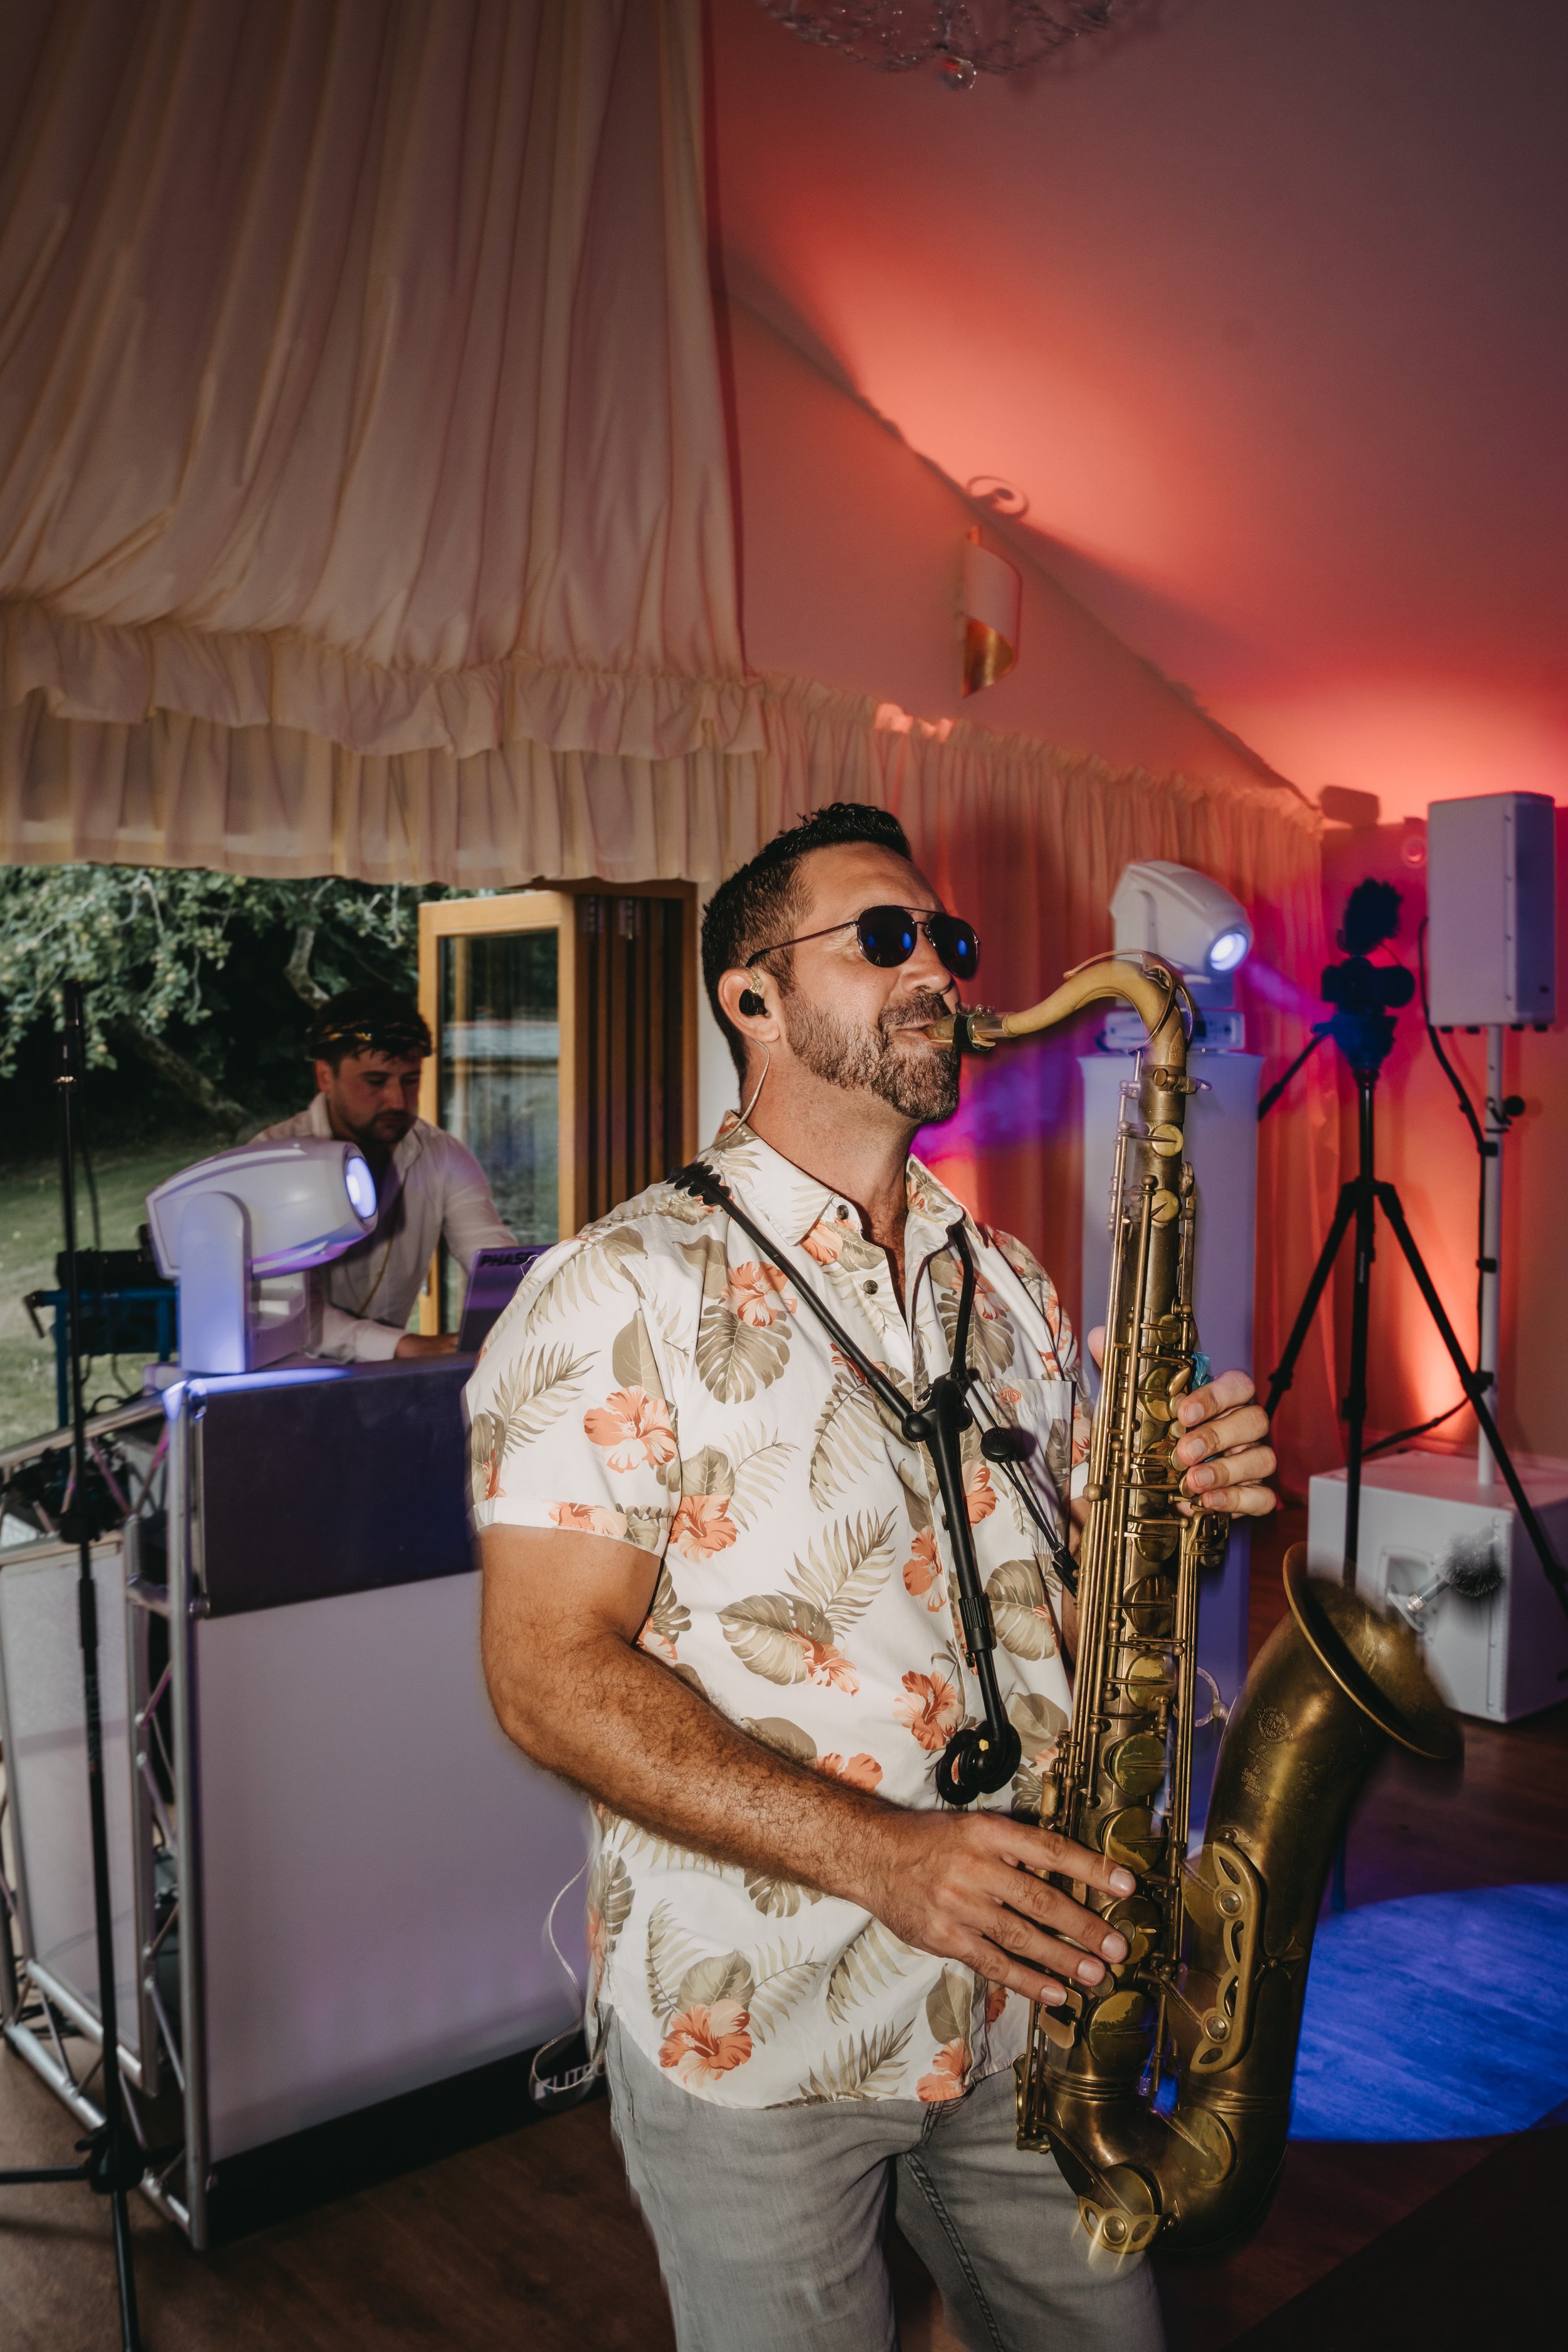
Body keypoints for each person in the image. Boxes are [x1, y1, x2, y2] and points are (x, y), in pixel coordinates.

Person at [469, 806, 1276, 2351]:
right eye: (885, 938)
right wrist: (890, 1856)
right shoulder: (616, 1287)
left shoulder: (1009, 1276)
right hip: (764, 2022)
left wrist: (1171, 1510)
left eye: (949, 942)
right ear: (751, 998)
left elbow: (1065, 1583)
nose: (941, 972)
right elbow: (548, 1672)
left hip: (1029, 1995)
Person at [255, 984, 513, 1363]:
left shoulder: (442, 1155)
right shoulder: (270, 1162)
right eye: (375, 1082)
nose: (398, 1100)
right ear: (325, 1077)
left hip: (385, 1385)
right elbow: (288, 1317)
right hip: (274, 1390)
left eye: (410, 1080)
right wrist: (405, 1345)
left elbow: (494, 1259)